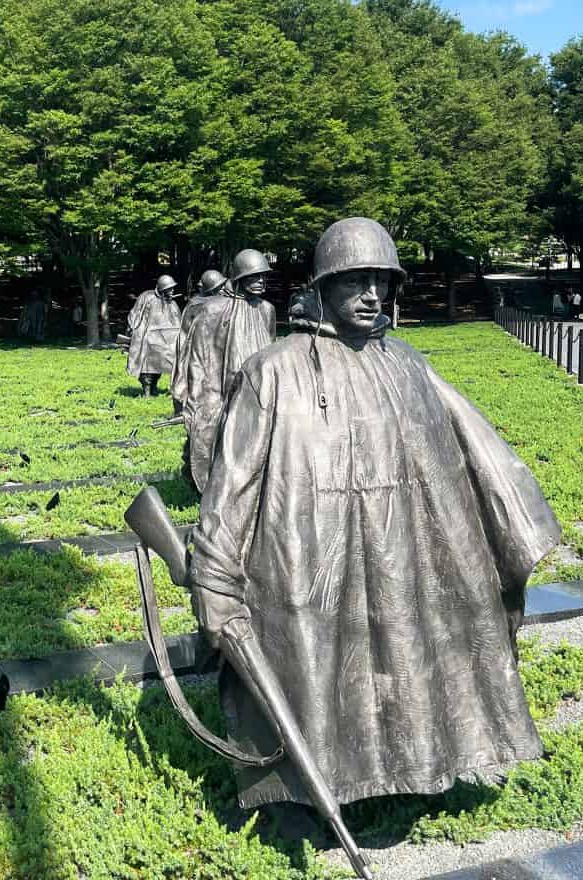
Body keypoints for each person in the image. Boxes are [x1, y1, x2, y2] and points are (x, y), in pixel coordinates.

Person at [189, 217, 559, 813]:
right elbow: (231, 484)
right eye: (355, 281)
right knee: (319, 673)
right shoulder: (274, 370)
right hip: (309, 556)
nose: (371, 295)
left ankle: (418, 767)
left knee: (409, 660)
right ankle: (307, 793)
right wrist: (213, 578)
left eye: (382, 282)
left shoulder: (408, 363)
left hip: (404, 554)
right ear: (323, 287)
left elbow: (467, 458)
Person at [181, 250, 277, 490]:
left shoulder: (266, 310)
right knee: (213, 437)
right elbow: (199, 357)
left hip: (258, 388)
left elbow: (273, 351)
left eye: (263, 277)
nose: (260, 282)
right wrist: (194, 396)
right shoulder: (213, 309)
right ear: (240, 277)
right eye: (254, 277)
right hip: (221, 388)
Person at [170, 269, 228, 413]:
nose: (222, 290)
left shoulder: (226, 303)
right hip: (198, 349)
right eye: (218, 287)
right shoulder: (195, 304)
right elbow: (185, 332)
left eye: (222, 286)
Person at [126, 275, 181, 397]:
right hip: (148, 338)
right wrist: (132, 330)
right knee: (147, 366)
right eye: (169, 289)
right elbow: (135, 314)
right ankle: (146, 391)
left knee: (163, 363)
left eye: (172, 288)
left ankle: (155, 387)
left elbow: (177, 322)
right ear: (162, 289)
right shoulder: (147, 297)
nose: (172, 291)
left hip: (166, 341)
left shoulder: (172, 304)